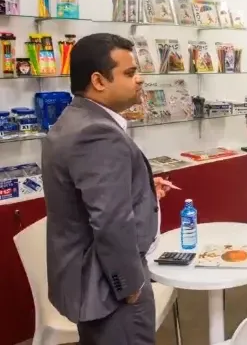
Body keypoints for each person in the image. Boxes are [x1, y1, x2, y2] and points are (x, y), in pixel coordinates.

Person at [42, 33, 174, 345]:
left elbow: (89, 197)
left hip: (93, 282)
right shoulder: (97, 132)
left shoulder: (75, 119)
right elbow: (110, 220)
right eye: (130, 73)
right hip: (109, 289)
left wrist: (141, 188)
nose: (140, 79)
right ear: (99, 81)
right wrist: (129, 285)